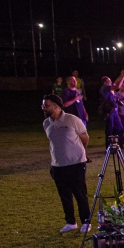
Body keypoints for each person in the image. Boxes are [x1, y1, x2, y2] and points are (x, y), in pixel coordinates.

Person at [42, 94, 91, 233]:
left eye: (46, 105)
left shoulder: (72, 119)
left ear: (56, 106)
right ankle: (70, 222)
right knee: (64, 196)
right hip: (57, 166)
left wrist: (79, 154)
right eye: (43, 105)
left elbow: (85, 138)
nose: (43, 108)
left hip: (76, 164)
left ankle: (86, 222)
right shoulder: (46, 123)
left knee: (80, 194)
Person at [101, 70, 124, 146]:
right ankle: (108, 146)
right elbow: (117, 86)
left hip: (114, 113)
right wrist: (123, 76)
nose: (110, 82)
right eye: (109, 81)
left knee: (120, 128)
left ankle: (114, 142)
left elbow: (115, 83)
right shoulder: (105, 88)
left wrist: (121, 75)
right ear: (105, 82)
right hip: (109, 112)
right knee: (110, 130)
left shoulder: (110, 88)